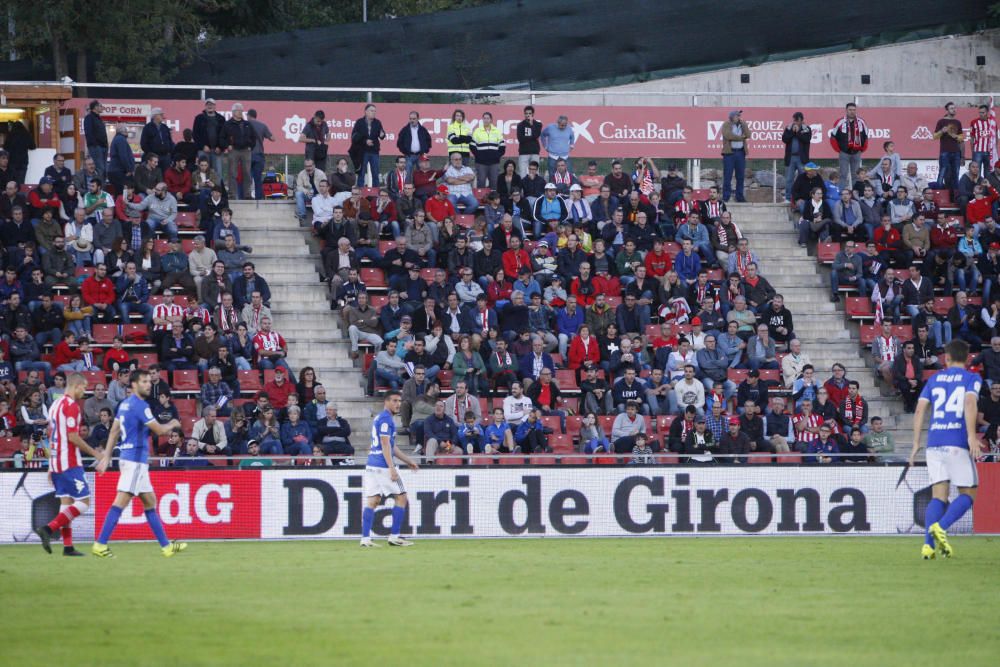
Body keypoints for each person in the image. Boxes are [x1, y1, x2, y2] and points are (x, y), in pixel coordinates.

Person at [92, 370, 187, 558]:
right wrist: (173, 423)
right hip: (135, 461)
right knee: (121, 501)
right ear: (134, 385)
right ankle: (100, 544)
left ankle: (166, 547)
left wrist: (107, 457)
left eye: (148, 381)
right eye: (144, 381)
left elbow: (114, 432)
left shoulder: (124, 405)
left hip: (129, 460)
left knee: (150, 501)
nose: (148, 384)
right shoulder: (140, 405)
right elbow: (159, 430)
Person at [909, 339, 983, 559]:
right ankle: (941, 527)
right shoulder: (972, 378)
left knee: (938, 496)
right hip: (956, 441)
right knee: (969, 493)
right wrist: (971, 436)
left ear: (946, 358)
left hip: (934, 443)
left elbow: (920, 408)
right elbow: (969, 403)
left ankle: (928, 546)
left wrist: (915, 443)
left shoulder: (934, 379)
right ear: (968, 357)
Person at [32, 374, 100, 556]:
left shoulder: (55, 405)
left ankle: (68, 547)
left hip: (56, 463)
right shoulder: (72, 406)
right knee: (84, 502)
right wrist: (95, 454)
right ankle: (48, 528)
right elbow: (72, 437)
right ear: (76, 386)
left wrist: (50, 465)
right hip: (69, 462)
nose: (83, 392)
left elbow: (51, 433)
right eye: (83, 388)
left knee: (66, 503)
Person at [361, 391, 419, 548]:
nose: (398, 404)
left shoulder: (379, 418)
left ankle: (365, 539)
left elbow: (392, 446)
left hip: (372, 465)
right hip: (383, 465)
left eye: (399, 401)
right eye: (394, 400)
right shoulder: (386, 419)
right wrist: (392, 468)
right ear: (386, 402)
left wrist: (408, 461)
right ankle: (394, 536)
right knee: (402, 497)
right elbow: (386, 445)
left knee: (373, 500)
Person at [830, 102, 869, 188]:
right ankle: (842, 194)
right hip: (844, 153)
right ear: (846, 110)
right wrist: (839, 150)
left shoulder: (861, 122)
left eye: (854, 110)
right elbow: (833, 137)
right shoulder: (839, 122)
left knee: (856, 175)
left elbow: (866, 136)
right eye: (850, 110)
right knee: (843, 174)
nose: (852, 112)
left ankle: (855, 194)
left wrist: (861, 149)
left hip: (856, 152)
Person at [932, 102, 965, 198]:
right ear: (947, 110)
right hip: (945, 152)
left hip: (956, 152)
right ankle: (938, 196)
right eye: (951, 108)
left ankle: (955, 197)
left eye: (955, 108)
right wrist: (942, 131)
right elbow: (934, 136)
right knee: (942, 173)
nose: (954, 110)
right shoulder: (941, 121)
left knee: (956, 174)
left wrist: (956, 136)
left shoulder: (958, 122)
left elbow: (961, 138)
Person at [351, 104, 386, 187]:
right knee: (361, 173)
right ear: (366, 112)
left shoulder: (377, 122)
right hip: (362, 151)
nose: (373, 113)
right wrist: (365, 141)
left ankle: (376, 193)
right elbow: (354, 137)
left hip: (374, 151)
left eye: (375, 111)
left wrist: (382, 135)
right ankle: (360, 192)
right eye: (371, 111)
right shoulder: (359, 122)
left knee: (375, 173)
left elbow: (382, 134)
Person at [720, 110, 750, 202]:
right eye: (737, 115)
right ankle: (726, 197)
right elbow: (728, 135)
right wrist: (741, 137)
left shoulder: (742, 124)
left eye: (739, 115)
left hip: (740, 153)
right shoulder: (726, 124)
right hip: (729, 153)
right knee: (727, 176)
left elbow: (748, 135)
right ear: (732, 116)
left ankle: (739, 197)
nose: (739, 117)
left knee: (740, 176)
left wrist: (744, 125)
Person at [782, 112, 812, 203]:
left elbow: (806, 139)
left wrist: (798, 132)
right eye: (794, 120)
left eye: (797, 121)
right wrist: (792, 131)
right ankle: (788, 198)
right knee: (789, 179)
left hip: (801, 158)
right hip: (790, 158)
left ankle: (802, 197)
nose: (795, 122)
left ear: (802, 121)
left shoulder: (807, 129)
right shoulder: (789, 128)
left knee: (803, 178)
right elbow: (784, 139)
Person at [539, 115, 575, 180]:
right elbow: (542, 135)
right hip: (553, 156)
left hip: (565, 156)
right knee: (552, 176)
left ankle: (567, 189)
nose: (563, 127)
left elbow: (572, 136)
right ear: (557, 122)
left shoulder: (569, 128)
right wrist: (545, 146)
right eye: (561, 125)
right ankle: (553, 189)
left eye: (565, 125)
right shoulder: (550, 127)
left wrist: (572, 145)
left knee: (569, 175)